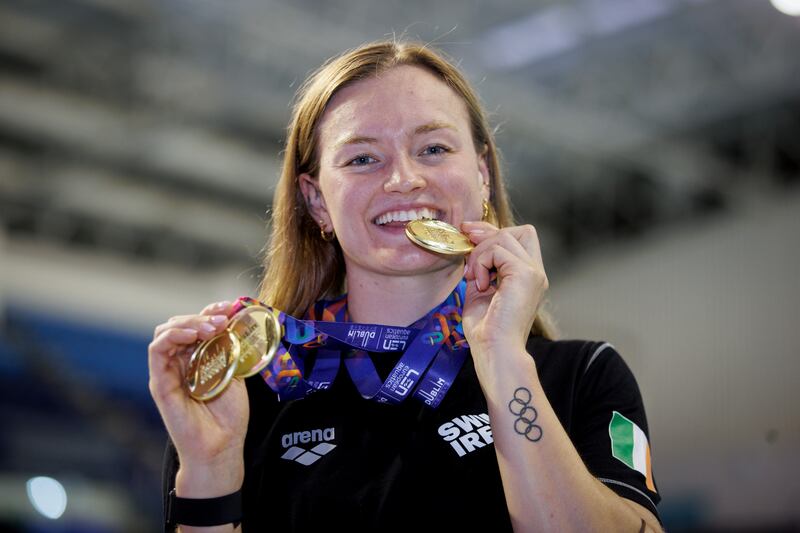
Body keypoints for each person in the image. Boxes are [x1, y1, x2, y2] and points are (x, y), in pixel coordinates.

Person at [149, 40, 663, 532]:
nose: (403, 179)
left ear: (481, 174)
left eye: (434, 148)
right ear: (317, 201)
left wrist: (502, 358)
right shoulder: (243, 395)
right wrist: (210, 466)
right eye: (362, 158)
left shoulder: (582, 377)